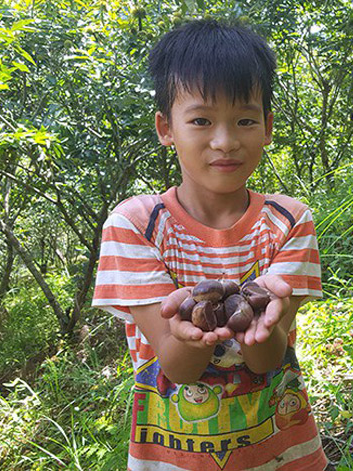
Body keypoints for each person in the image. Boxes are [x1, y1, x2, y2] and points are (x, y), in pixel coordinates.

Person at [92, 18, 329, 471]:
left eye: (244, 119)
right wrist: (191, 334)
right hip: (176, 458)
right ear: (166, 127)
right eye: (201, 120)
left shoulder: (289, 221)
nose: (225, 141)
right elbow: (178, 368)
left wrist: (262, 320)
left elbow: (266, 357)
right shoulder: (135, 225)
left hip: (281, 450)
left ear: (268, 126)